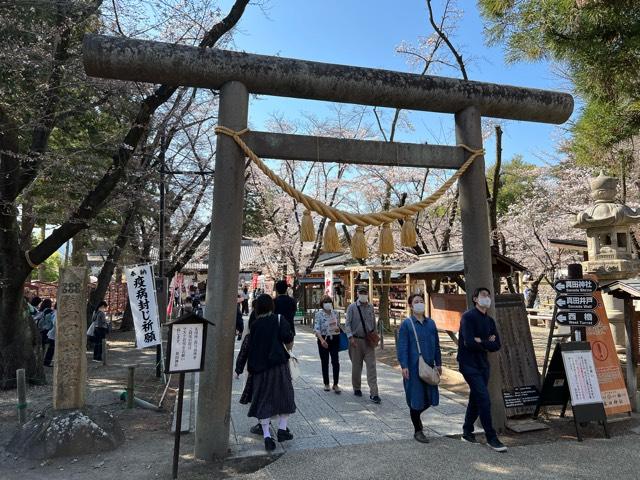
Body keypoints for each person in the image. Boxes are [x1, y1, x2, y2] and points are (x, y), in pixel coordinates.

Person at [457, 287, 507, 452]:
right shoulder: (468, 317)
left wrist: (482, 341)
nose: (487, 298)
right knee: (484, 398)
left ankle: (467, 431)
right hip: (468, 364)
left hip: (483, 364)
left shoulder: (490, 321)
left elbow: (497, 344)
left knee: (476, 398)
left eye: (488, 295)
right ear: (475, 299)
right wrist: (487, 342)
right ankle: (491, 437)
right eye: (483, 295)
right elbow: (469, 343)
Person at [247, 294, 296, 451]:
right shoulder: (279, 319)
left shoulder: (254, 325)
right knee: (285, 397)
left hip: (260, 369)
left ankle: (267, 436)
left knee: (264, 401)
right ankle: (282, 429)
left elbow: (249, 347)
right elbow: (288, 339)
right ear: (271, 306)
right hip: (278, 367)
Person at [397, 294, 442, 443]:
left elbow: (436, 344)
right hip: (413, 367)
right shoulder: (407, 324)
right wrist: (404, 366)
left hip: (429, 366)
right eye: (416, 302)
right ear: (410, 306)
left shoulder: (431, 324)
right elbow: (402, 346)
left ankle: (416, 417)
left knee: (430, 397)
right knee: (416, 398)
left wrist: (439, 363)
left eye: (421, 301)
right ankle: (418, 430)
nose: (419, 304)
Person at [345, 285, 380, 403]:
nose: (363, 294)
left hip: (368, 340)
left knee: (371, 366)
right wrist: (350, 337)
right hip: (356, 340)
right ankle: (357, 387)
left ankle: (374, 393)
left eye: (365, 292)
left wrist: (375, 336)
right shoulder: (352, 307)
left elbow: (374, 323)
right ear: (357, 294)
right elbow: (347, 324)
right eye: (361, 292)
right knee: (356, 366)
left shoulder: (370, 307)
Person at [314, 295, 342, 393]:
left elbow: (338, 326)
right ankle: (326, 383)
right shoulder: (319, 314)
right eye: (325, 302)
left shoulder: (335, 313)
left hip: (334, 338)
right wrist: (321, 340)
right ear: (322, 304)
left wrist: (338, 329)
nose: (328, 304)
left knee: (335, 361)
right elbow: (316, 329)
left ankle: (336, 384)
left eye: (329, 302)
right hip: (323, 339)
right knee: (324, 362)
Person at [43, 303, 57, 367]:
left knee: (51, 349)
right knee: (51, 349)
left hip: (52, 333)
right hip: (54, 334)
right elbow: (55, 323)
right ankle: (47, 362)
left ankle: (47, 362)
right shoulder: (56, 313)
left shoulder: (54, 312)